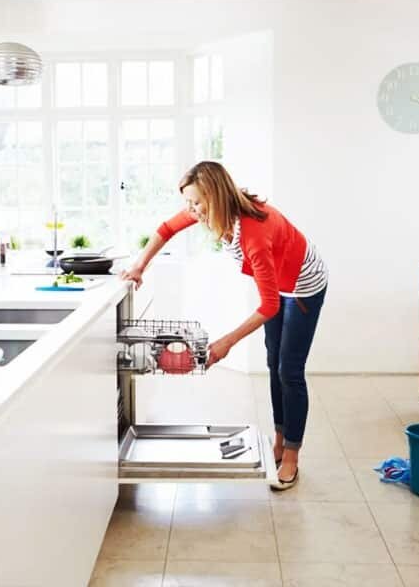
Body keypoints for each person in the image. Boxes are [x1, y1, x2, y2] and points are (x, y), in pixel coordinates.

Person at [121, 161, 327, 490]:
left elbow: (269, 305)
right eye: (188, 202)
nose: (191, 210)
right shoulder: (212, 210)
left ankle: (292, 456)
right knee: (273, 363)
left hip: (304, 286)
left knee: (289, 370)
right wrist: (138, 267)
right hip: (279, 285)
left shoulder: (254, 234)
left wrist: (226, 342)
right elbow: (165, 229)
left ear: (215, 197)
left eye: (196, 203)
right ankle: (278, 439)